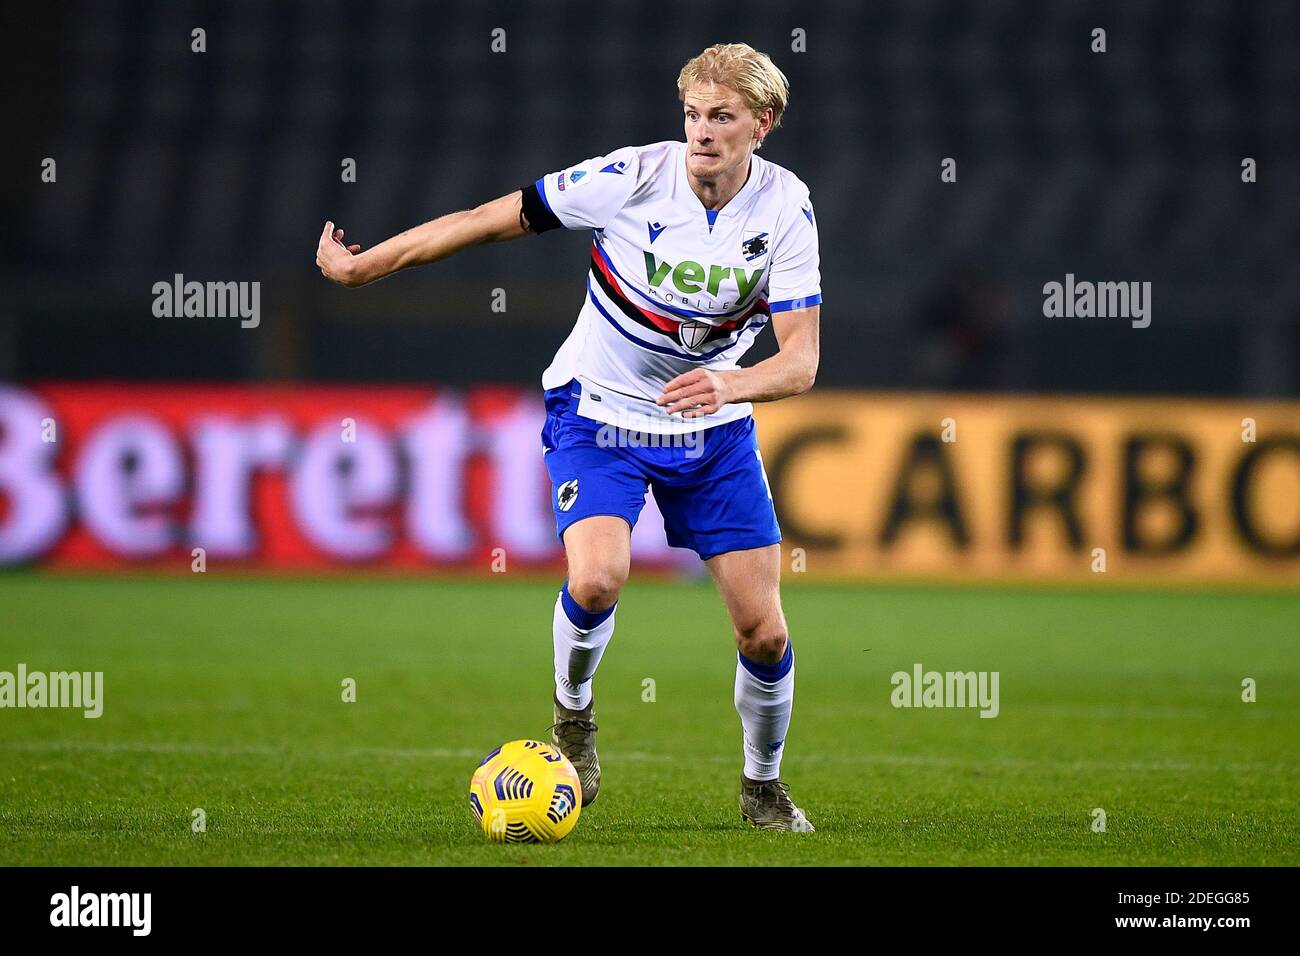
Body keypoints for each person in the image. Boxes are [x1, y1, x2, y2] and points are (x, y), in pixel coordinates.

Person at [317, 42, 821, 831]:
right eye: (692, 114)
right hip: (600, 411)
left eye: (722, 117)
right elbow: (493, 219)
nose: (702, 132)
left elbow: (800, 362)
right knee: (596, 579)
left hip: (710, 427)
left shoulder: (786, 210)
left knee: (763, 631)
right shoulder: (633, 177)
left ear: (764, 122)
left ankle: (763, 784)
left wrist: (730, 383)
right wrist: (367, 266)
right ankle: (573, 718)